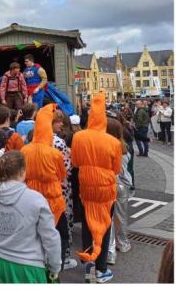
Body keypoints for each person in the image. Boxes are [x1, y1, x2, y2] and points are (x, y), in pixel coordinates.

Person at [0, 150, 62, 284]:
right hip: (30, 266)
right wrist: (54, 266)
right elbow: (50, 238)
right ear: (23, 171)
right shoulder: (36, 199)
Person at [71, 91, 122, 283]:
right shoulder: (113, 142)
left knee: (86, 225)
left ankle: (88, 265)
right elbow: (116, 169)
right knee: (104, 226)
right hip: (105, 189)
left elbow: (75, 162)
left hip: (86, 186)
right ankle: (101, 269)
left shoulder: (79, 137)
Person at [21, 104, 69, 271]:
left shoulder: (24, 150)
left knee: (36, 235)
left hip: (31, 198)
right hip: (53, 200)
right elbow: (62, 175)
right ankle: (57, 266)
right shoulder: (54, 153)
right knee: (58, 234)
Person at [105, 117, 132, 265]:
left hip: (108, 184)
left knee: (108, 218)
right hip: (121, 185)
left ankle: (110, 251)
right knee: (120, 216)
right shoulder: (122, 146)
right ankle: (123, 243)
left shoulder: (104, 146)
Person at [52, 109, 77, 269]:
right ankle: (64, 258)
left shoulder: (34, 139)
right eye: (58, 121)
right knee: (64, 222)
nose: (61, 124)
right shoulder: (58, 142)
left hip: (42, 189)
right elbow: (66, 168)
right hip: (61, 189)